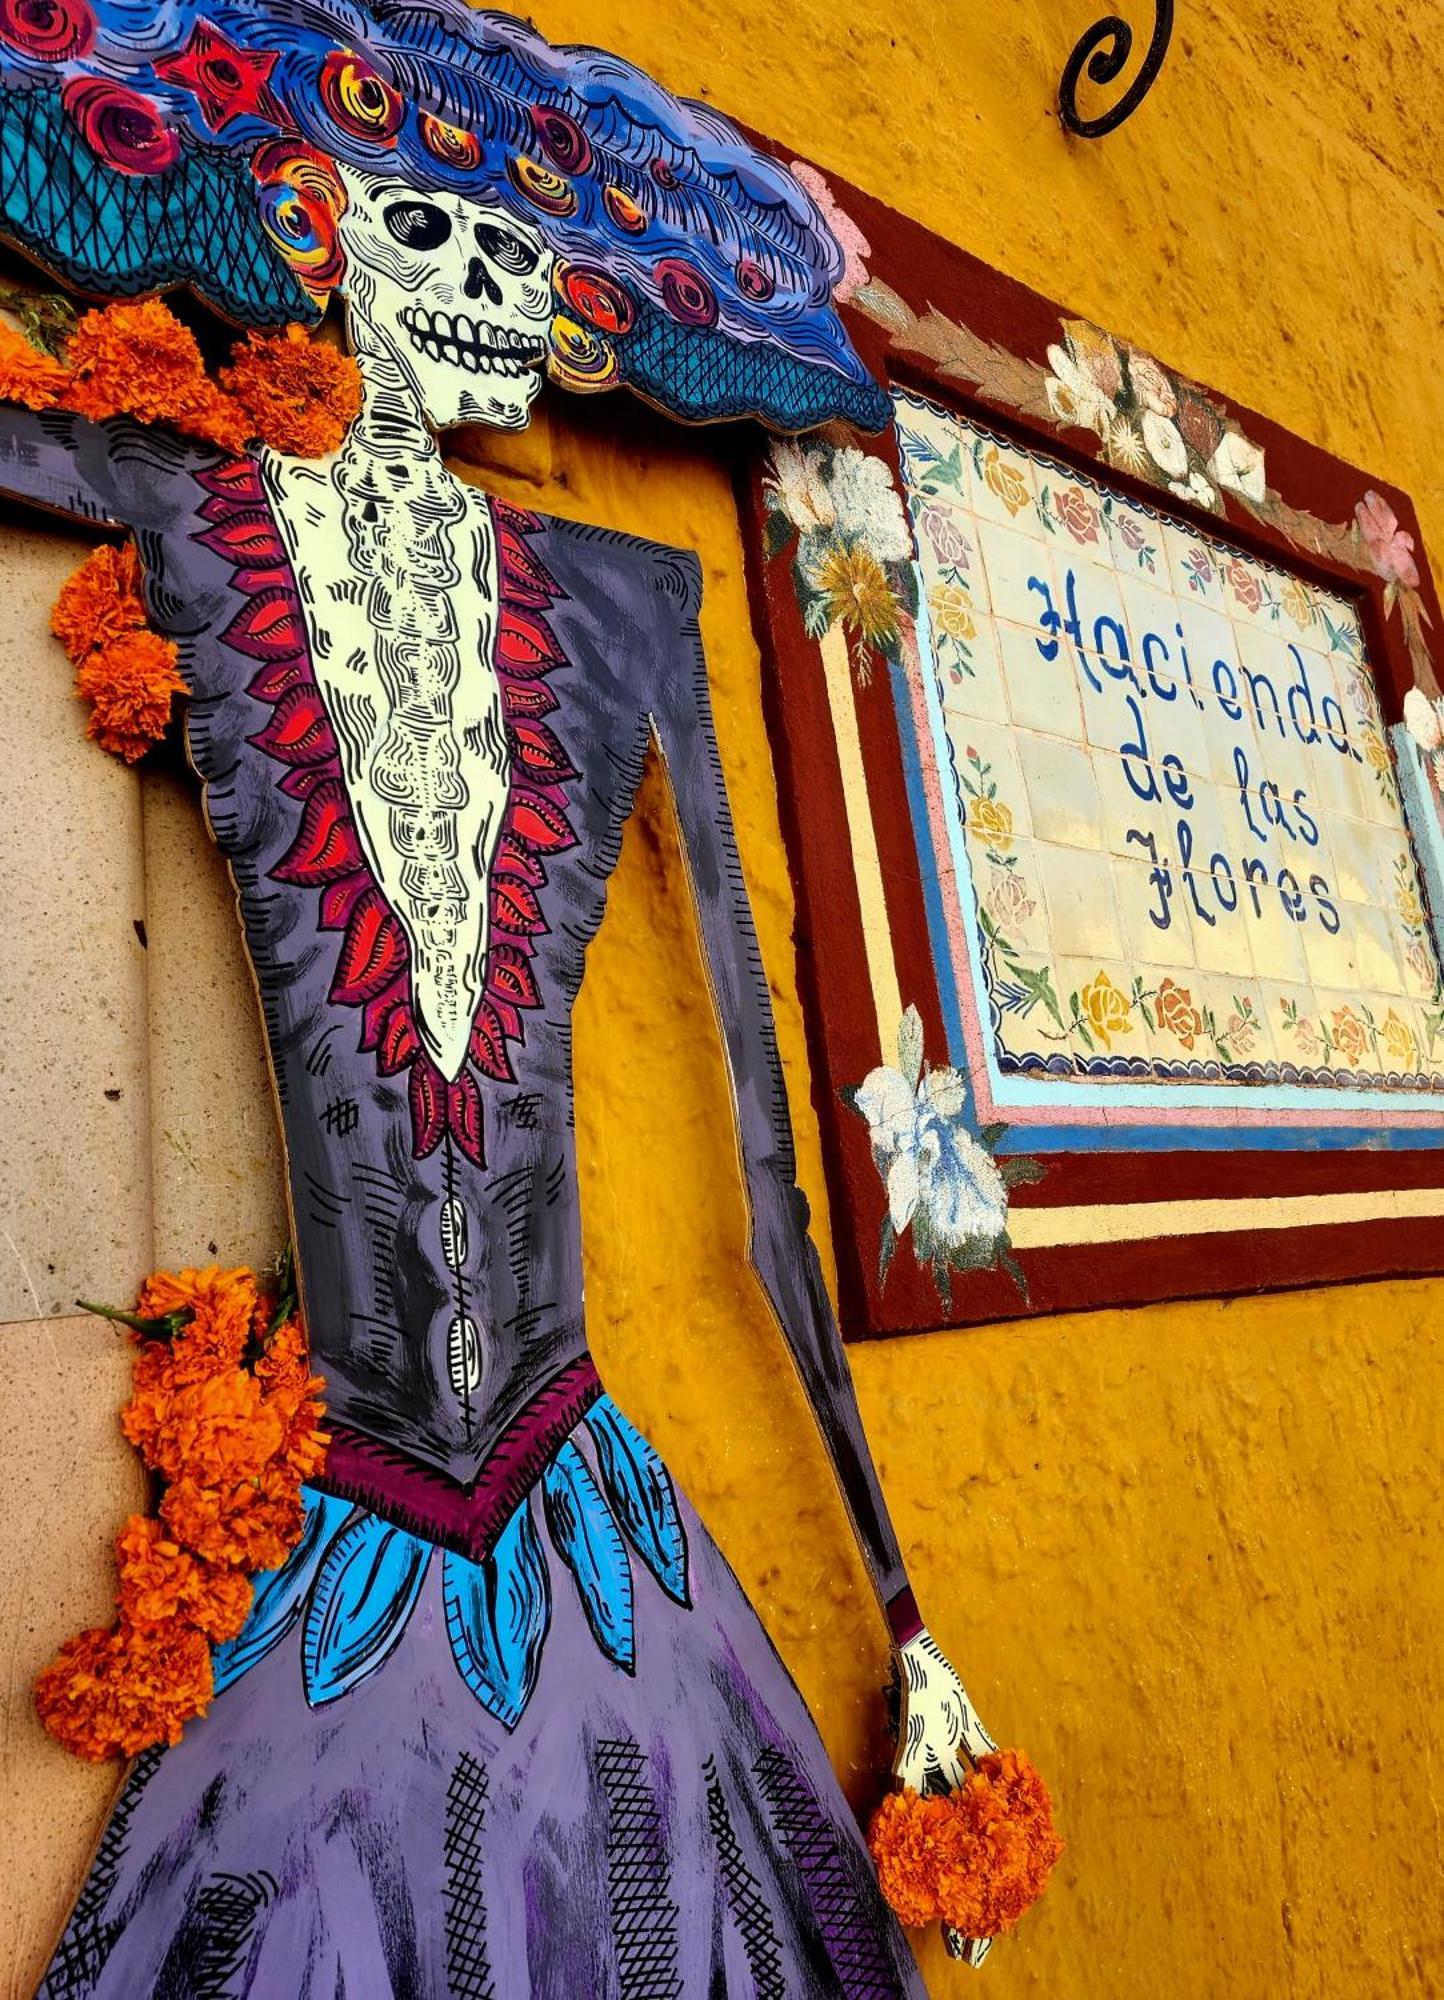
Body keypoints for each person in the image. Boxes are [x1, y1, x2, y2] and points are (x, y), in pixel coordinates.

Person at [1, 1, 993, 1988]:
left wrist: (902, 1611)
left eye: (525, 249)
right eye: (439, 233)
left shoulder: (619, 606)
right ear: (316, 223)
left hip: (585, 1510)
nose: (503, 288)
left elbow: (763, 1152)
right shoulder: (172, 507)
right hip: (332, 1519)